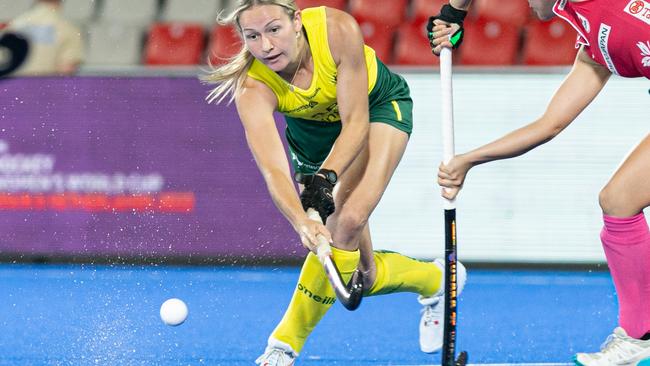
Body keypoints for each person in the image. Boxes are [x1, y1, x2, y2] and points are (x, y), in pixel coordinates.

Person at [203, 1, 467, 364]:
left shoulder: (336, 30)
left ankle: (283, 344)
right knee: (363, 275)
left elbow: (355, 125)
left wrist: (325, 180)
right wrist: (302, 222)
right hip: (312, 142)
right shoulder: (252, 87)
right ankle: (434, 280)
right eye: (253, 36)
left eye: (274, 30)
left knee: (348, 219)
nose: (266, 46)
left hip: (377, 108)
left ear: (296, 21)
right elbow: (274, 170)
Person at [430, 0, 650, 364]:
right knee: (618, 201)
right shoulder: (593, 46)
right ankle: (639, 336)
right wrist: (467, 161)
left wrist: (456, 10)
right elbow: (548, 125)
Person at [7, 0, 84, 76]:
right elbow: (66, 70)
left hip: (9, 86)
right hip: (46, 86)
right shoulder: (68, 29)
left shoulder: (12, 26)